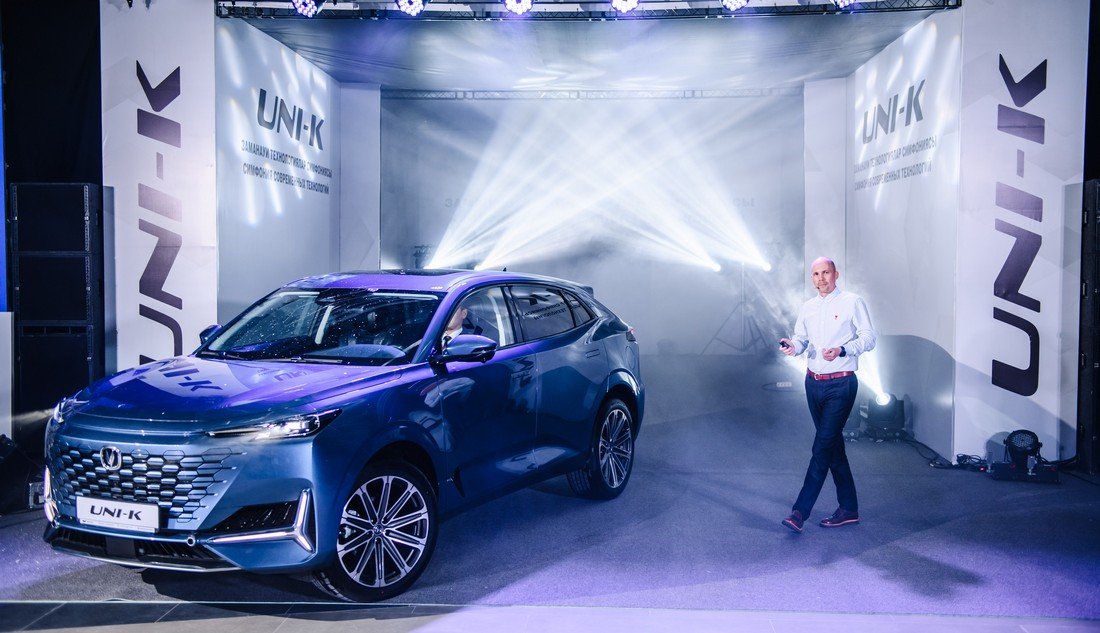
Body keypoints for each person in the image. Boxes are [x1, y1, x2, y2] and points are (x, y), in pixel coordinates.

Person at [779, 257, 876, 533]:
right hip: (813, 383)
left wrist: (843, 350)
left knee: (821, 447)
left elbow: (869, 337)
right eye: (816, 274)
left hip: (841, 384)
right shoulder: (808, 307)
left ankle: (800, 511)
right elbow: (802, 340)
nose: (821, 278)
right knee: (833, 447)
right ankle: (849, 509)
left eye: (826, 273)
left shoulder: (852, 301)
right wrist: (793, 346)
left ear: (836, 274)